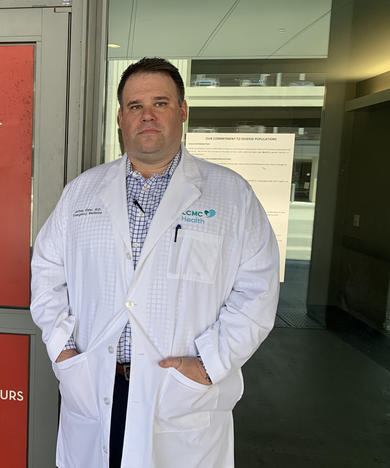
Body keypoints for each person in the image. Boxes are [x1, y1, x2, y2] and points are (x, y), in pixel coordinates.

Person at [30, 57, 279, 468]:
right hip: (96, 381)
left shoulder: (231, 195)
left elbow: (258, 292)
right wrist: (62, 351)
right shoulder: (82, 193)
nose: (147, 116)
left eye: (160, 103)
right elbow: (46, 275)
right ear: (121, 119)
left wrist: (208, 364)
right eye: (134, 106)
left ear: (182, 111)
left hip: (179, 389)